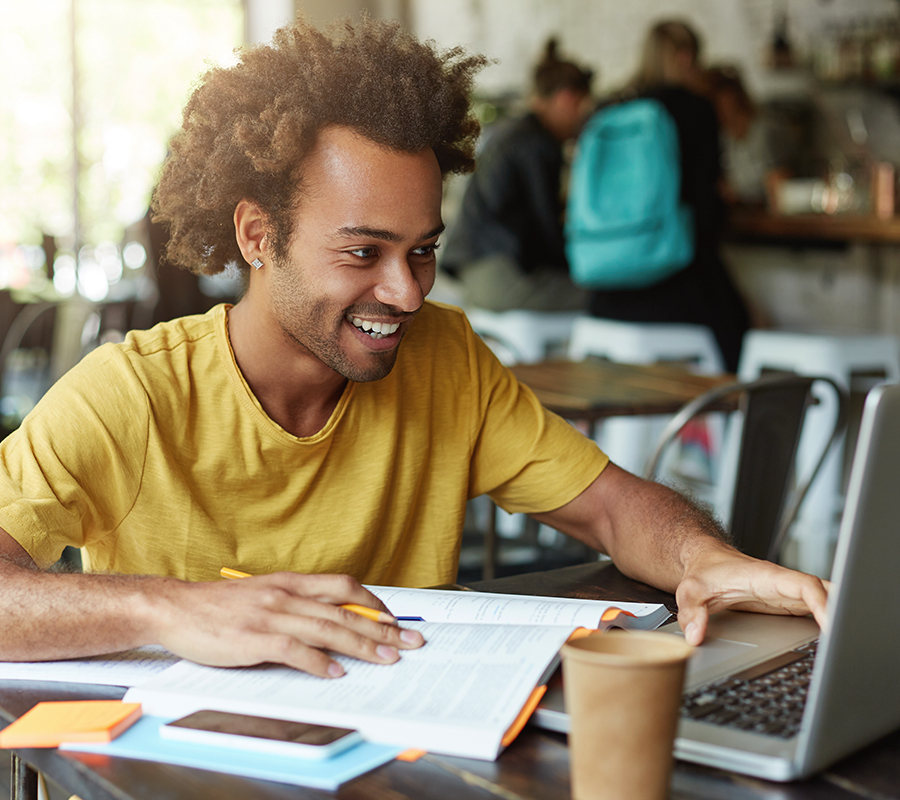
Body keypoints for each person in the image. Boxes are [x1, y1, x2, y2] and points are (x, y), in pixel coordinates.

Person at [0, 17, 827, 681]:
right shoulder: (132, 394)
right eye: (363, 252)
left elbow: (610, 505)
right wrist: (166, 609)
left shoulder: (447, 358)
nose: (407, 292)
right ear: (259, 235)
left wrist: (705, 558)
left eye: (422, 250)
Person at [586, 21, 752, 372]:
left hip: (606, 290)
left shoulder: (611, 107)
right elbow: (707, 214)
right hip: (674, 279)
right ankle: (722, 418)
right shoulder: (695, 109)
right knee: (742, 333)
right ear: (685, 56)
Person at [441, 39, 591, 311]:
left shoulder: (512, 132)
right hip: (501, 276)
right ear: (568, 98)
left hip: (474, 274)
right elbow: (547, 232)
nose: (584, 119)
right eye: (583, 106)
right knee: (604, 298)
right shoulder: (536, 144)